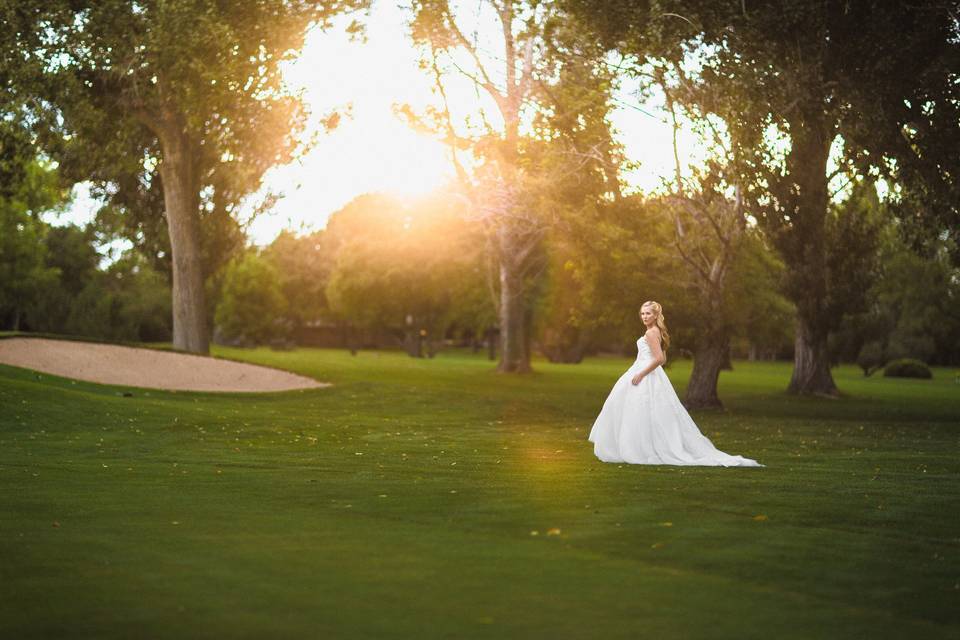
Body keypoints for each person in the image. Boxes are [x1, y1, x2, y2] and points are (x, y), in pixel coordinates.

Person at [588, 301, 763, 467]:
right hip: (648, 371)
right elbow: (663, 359)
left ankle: (639, 448)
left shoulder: (651, 333)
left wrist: (640, 374)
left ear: (656, 315)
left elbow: (658, 359)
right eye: (642, 313)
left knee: (633, 408)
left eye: (648, 313)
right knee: (641, 411)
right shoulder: (657, 331)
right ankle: (644, 446)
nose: (644, 316)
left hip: (644, 372)